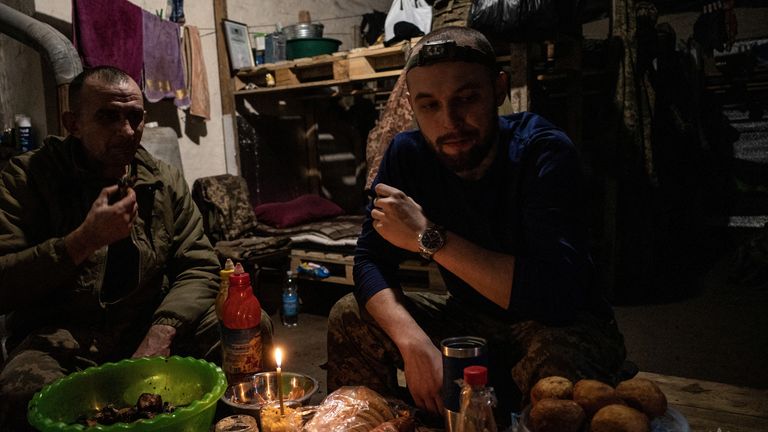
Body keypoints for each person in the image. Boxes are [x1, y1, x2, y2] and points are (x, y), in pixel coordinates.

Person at [326, 26, 626, 424]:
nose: (450, 122)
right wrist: (414, 344)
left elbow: (557, 295)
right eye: (429, 105)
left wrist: (427, 236)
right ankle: (381, 422)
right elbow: (369, 262)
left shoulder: (542, 152)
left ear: (498, 88)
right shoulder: (408, 155)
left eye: (466, 99)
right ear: (412, 105)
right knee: (350, 315)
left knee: (558, 376)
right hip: (469, 320)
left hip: (560, 324)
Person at [0, 66, 272, 430]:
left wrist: (163, 329)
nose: (127, 131)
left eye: (135, 117)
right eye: (109, 117)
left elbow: (198, 263)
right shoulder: (26, 179)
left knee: (247, 330)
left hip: (146, 324)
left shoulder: (161, 179)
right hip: (65, 339)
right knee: (23, 393)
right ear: (73, 123)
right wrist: (83, 240)